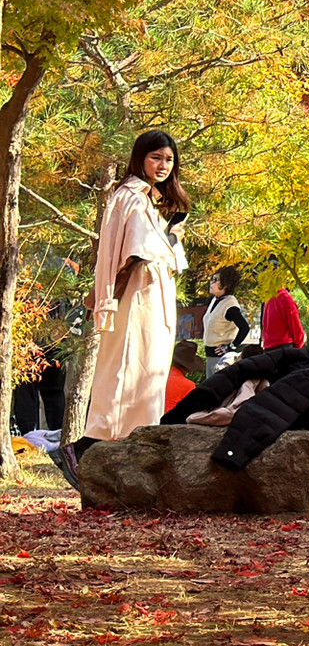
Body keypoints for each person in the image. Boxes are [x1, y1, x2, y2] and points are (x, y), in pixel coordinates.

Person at [73, 131, 191, 476]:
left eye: (169, 159)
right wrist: (171, 237)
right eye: (156, 157)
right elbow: (125, 251)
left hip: (154, 299)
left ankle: (130, 454)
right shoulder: (130, 197)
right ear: (140, 157)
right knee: (126, 372)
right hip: (137, 298)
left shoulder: (149, 201)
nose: (163, 165)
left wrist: (170, 235)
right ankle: (91, 452)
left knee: (147, 375)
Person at [200, 266, 250, 374]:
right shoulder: (214, 300)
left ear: (225, 284)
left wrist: (231, 346)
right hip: (210, 356)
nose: (211, 283)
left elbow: (244, 327)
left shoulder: (230, 305)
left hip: (221, 359)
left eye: (215, 280)